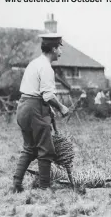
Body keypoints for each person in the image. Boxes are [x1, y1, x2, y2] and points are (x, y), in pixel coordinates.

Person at [11, 33, 70, 193]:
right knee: (46, 149)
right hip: (34, 109)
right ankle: (45, 188)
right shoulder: (46, 68)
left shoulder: (34, 63)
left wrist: (48, 108)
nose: (61, 52)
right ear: (53, 48)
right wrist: (61, 107)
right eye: (59, 48)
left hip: (23, 106)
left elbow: (35, 92)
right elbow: (48, 95)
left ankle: (16, 184)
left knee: (30, 148)